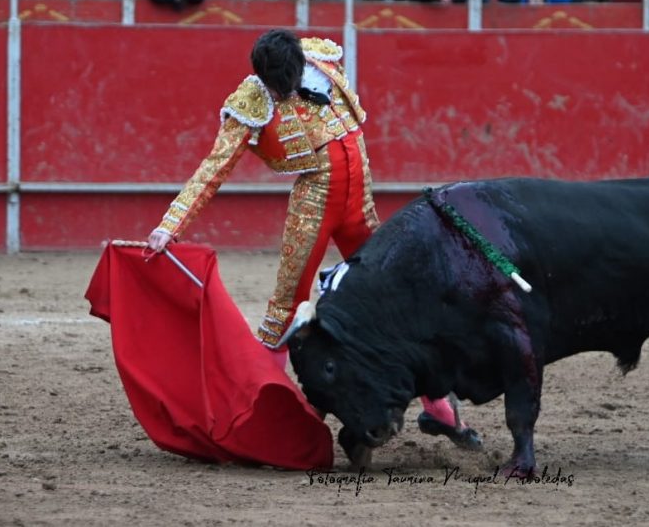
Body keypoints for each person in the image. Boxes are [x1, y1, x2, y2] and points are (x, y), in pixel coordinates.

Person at [145, 28, 481, 450]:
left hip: (359, 199)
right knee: (286, 304)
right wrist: (169, 227)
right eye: (273, 85)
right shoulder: (252, 98)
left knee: (398, 299)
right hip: (314, 205)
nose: (281, 92)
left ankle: (439, 410)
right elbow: (213, 168)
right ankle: (257, 410)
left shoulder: (321, 59)